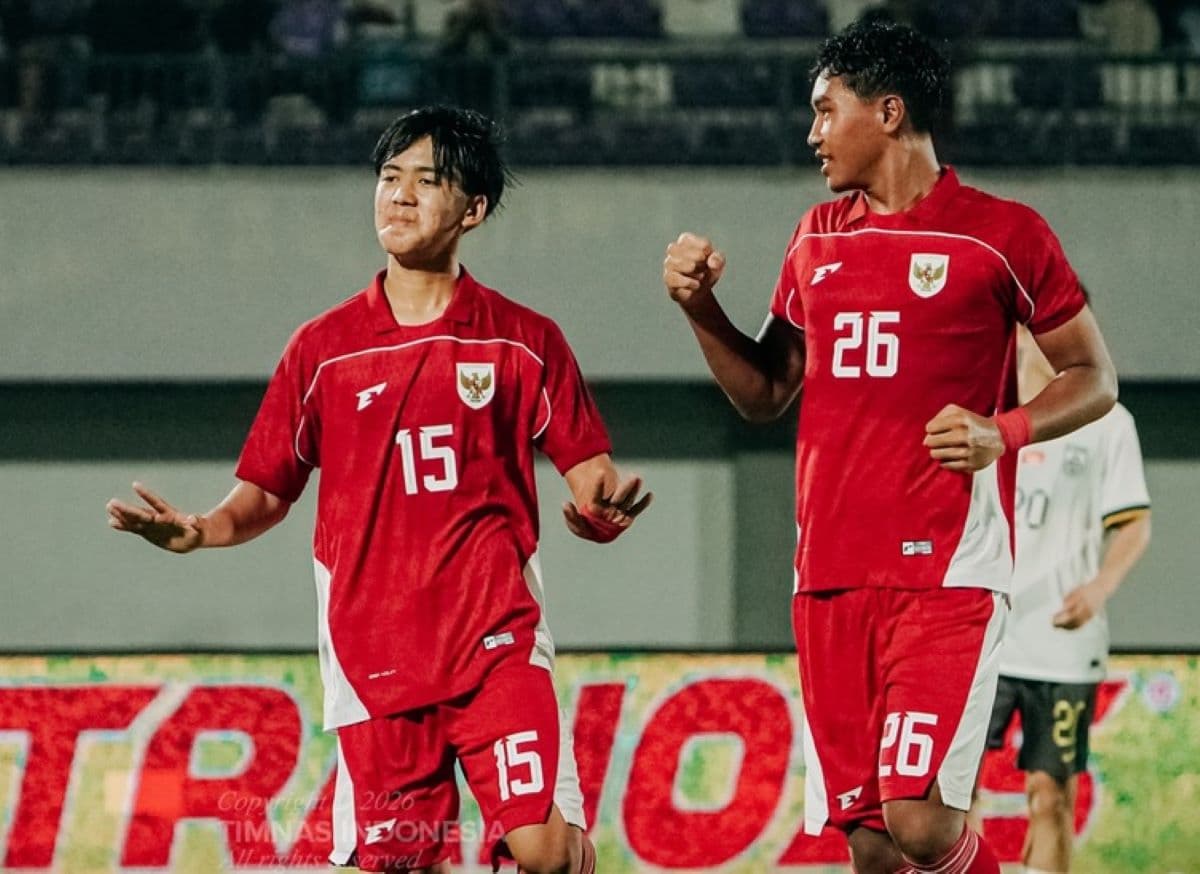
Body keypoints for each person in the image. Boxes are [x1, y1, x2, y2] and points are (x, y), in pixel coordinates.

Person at [108, 105, 649, 874]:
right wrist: (199, 530)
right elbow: (266, 490)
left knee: (543, 854)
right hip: (373, 663)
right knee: (403, 865)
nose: (397, 196)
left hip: (494, 638)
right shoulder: (322, 351)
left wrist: (602, 511)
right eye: (388, 178)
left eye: (425, 181)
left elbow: (590, 471)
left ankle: (568, 851)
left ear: (474, 209)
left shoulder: (525, 340)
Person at [661, 19, 1117, 874]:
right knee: (870, 845)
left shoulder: (1002, 234)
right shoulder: (815, 237)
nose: (813, 134)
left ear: (890, 111)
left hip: (944, 578)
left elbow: (1094, 375)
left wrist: (1002, 431)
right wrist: (701, 310)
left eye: (827, 111)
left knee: (919, 820)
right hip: (828, 577)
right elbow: (764, 392)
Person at [969, 324, 1151, 873]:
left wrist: (1098, 589)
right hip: (983, 637)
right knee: (954, 795)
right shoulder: (980, 414)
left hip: (1062, 646)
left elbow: (1135, 523)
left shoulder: (1108, 421)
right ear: (1018, 334)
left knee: (1050, 796)